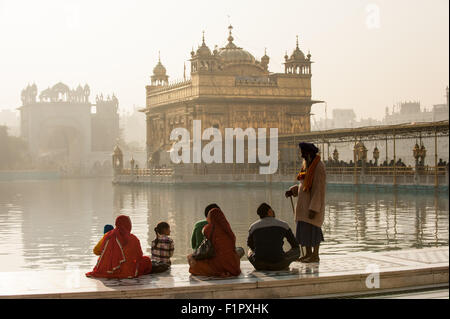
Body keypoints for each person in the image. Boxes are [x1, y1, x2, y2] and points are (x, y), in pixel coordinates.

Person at [285, 142, 326, 263]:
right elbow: (303, 185)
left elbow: (319, 189)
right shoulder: (307, 166)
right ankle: (308, 254)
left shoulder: (318, 166)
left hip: (312, 206)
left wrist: (314, 208)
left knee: (313, 230)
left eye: (303, 153)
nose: (302, 156)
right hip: (304, 205)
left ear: (309, 153)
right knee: (304, 230)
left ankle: (315, 255)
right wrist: (293, 191)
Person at [86, 215, 153, 279]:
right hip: (127, 271)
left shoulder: (108, 236)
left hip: (107, 269)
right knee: (146, 260)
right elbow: (139, 256)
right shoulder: (133, 238)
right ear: (128, 225)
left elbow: (98, 251)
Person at [187, 207, 241, 277]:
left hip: (218, 264)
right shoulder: (228, 230)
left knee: (194, 267)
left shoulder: (208, 229)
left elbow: (199, 246)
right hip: (233, 266)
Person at [247, 203, 300, 271]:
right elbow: (295, 245)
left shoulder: (253, 227)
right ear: (269, 212)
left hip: (259, 265)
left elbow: (250, 244)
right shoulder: (284, 225)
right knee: (297, 250)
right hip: (279, 264)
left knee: (249, 251)